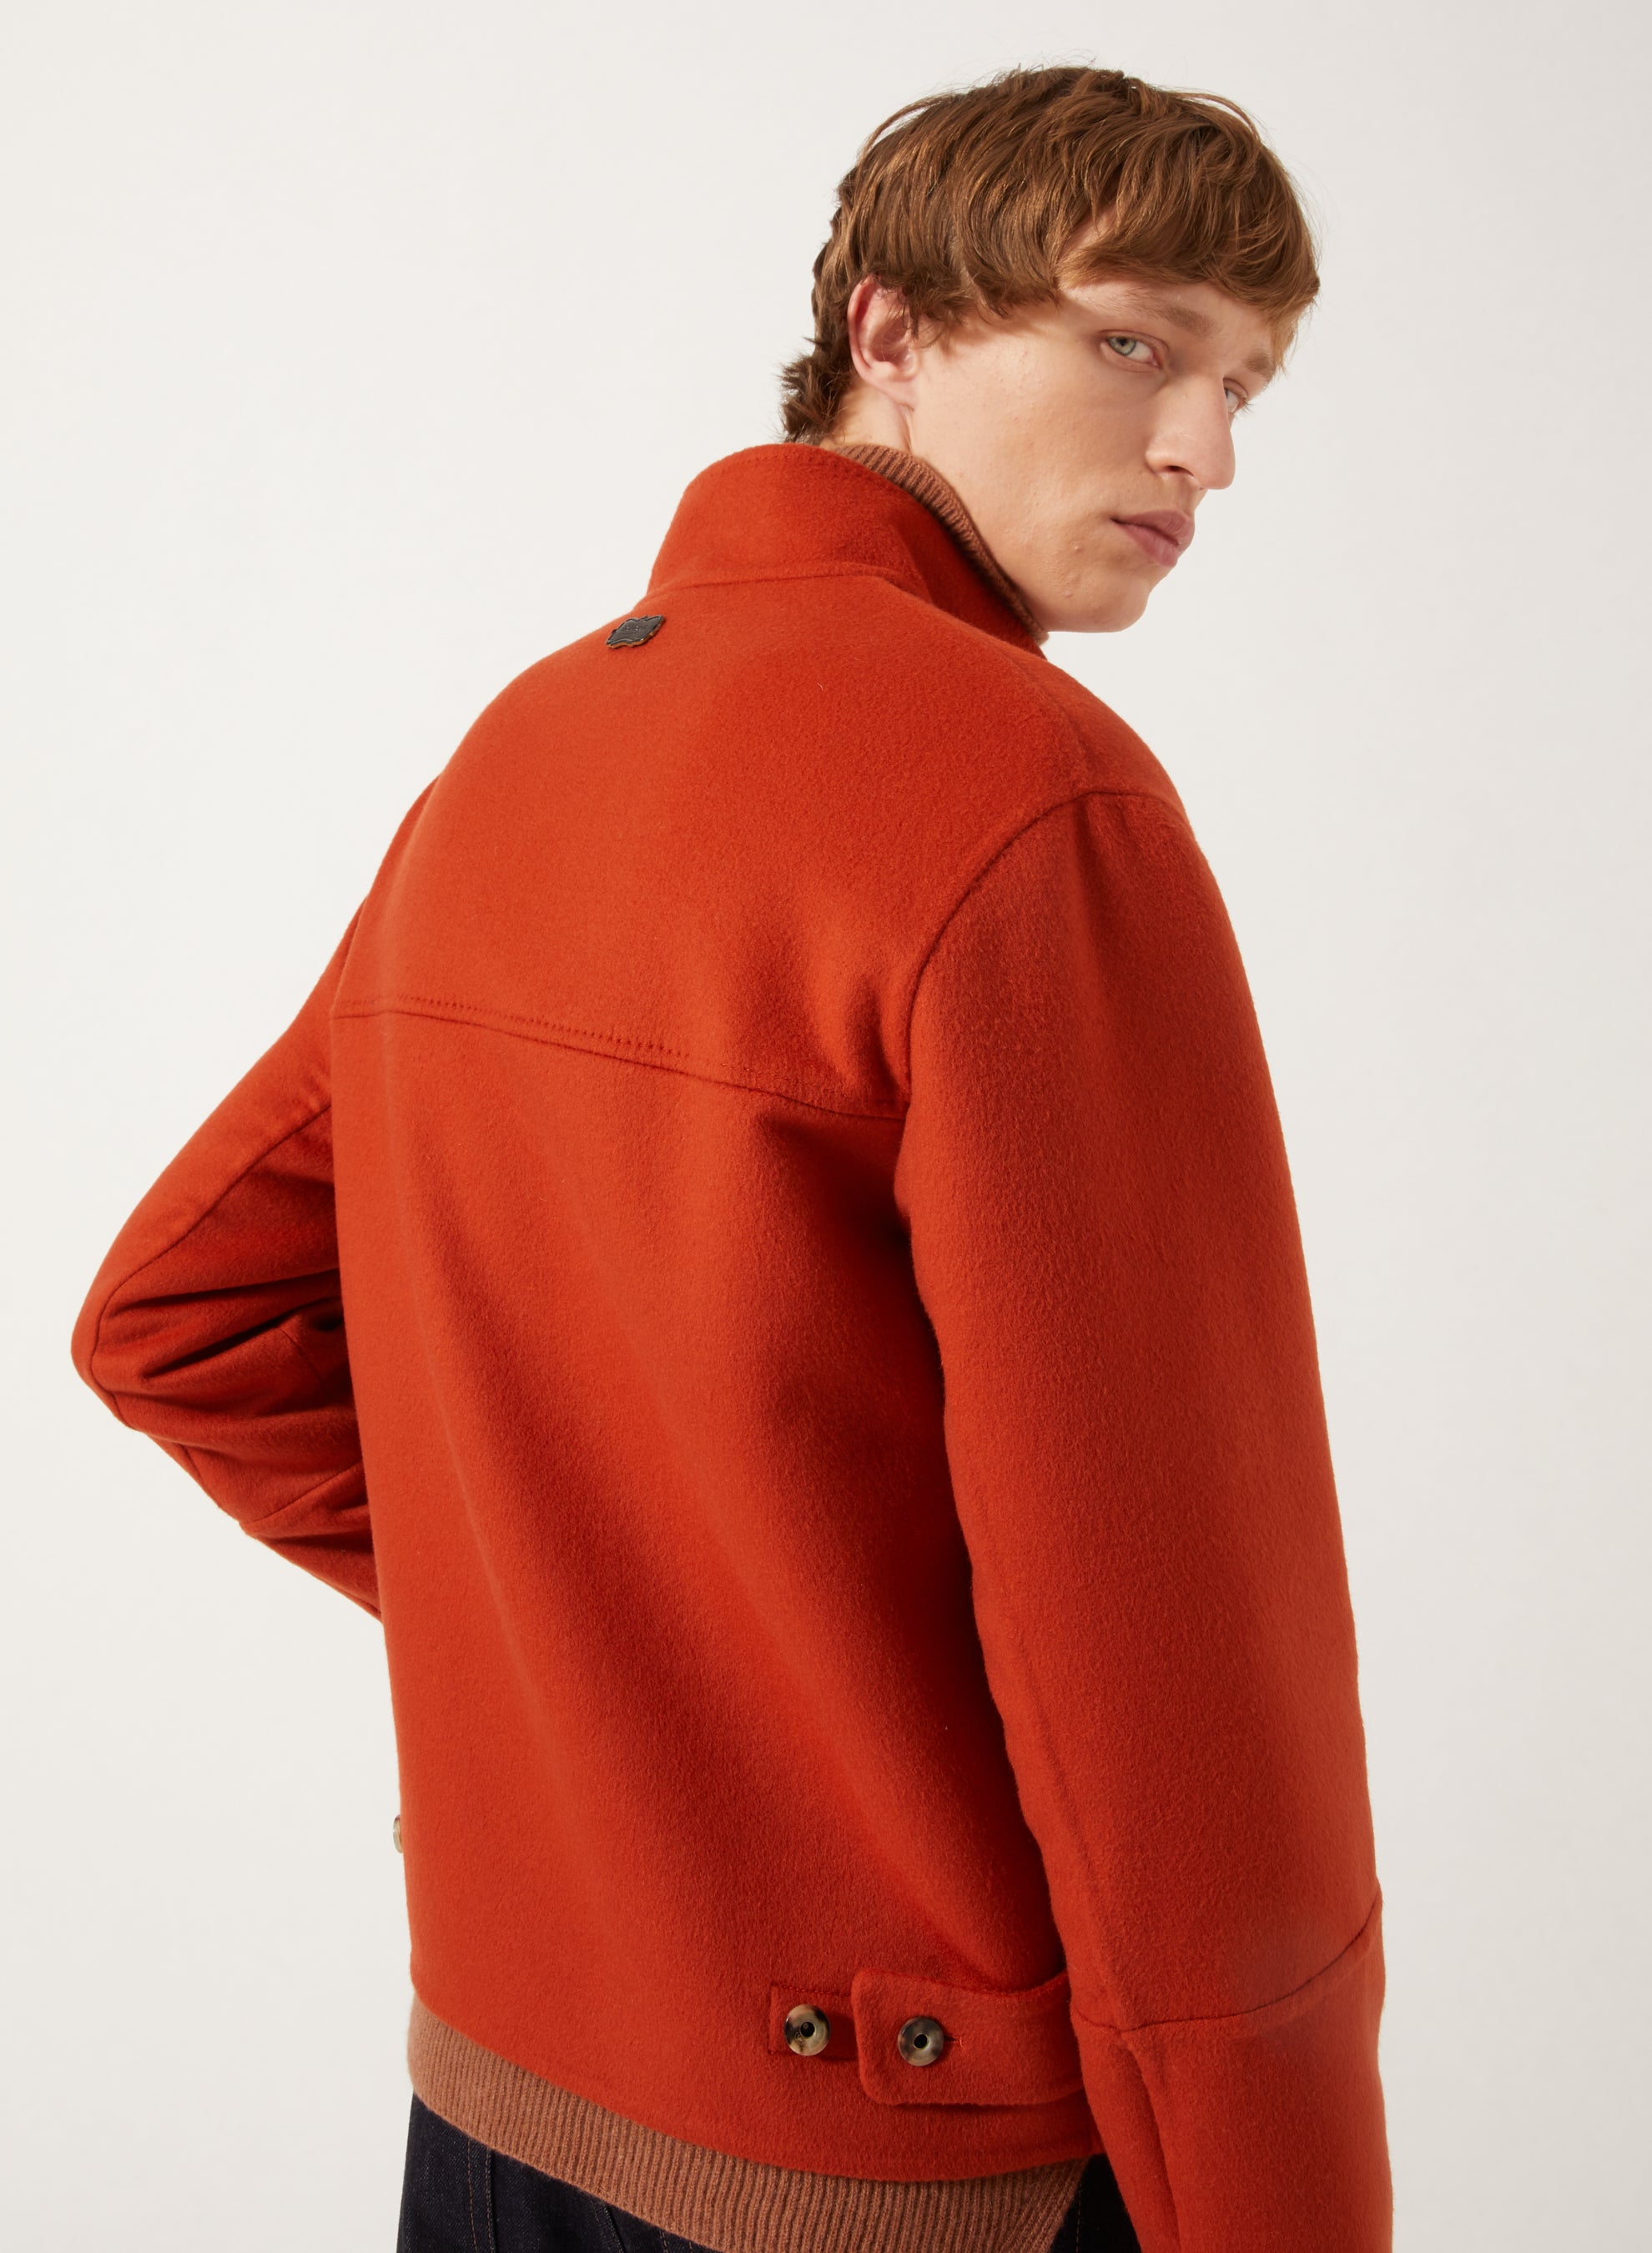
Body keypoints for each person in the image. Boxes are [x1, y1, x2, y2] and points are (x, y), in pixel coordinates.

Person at [72, 63, 1390, 2253]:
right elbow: (1173, 1675)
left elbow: (179, 1316)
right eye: (1132, 341)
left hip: (499, 2100)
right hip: (909, 2170)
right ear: (892, 331)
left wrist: (620, 1650)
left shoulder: (524, 747)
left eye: (1243, 384)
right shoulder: (1034, 798)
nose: (1207, 450)